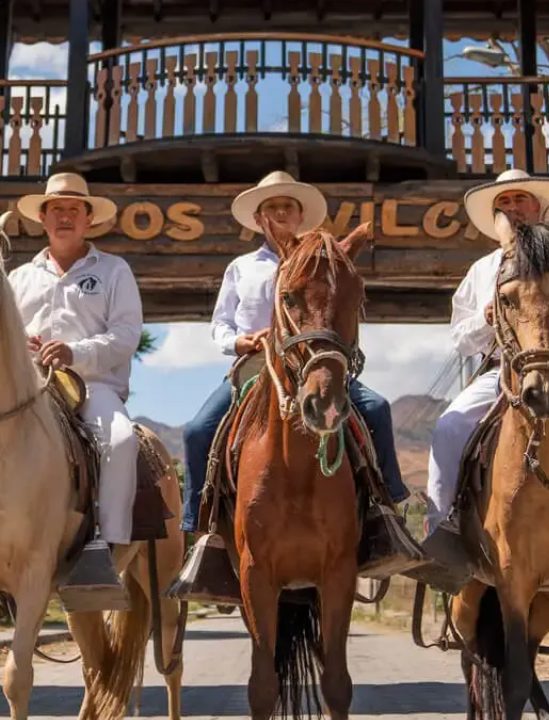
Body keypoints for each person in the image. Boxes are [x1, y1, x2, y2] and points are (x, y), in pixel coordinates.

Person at [178, 172, 415, 586]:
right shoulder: (240, 268)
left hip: (313, 363)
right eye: (272, 206)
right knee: (198, 431)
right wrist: (239, 342)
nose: (281, 211)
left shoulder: (326, 258)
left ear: (301, 215)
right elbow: (219, 325)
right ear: (259, 218)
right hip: (254, 367)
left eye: (288, 205)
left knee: (376, 407)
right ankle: (204, 536)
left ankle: (386, 514)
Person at [420, 169, 549, 576]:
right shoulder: (482, 269)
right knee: (448, 430)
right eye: (504, 205)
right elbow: (460, 338)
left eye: (520, 201)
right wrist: (487, 319)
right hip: (500, 372)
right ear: (496, 218)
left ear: (538, 207)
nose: (513, 210)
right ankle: (446, 529)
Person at [9, 173, 145, 609]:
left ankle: (105, 548)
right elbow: (0, 335)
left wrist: (75, 352)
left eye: (74, 210)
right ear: (42, 219)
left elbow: (127, 335)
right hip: (25, 389)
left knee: (120, 441)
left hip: (92, 387)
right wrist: (21, 347)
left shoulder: (114, 270)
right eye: (56, 210)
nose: (65, 217)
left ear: (88, 220)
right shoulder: (17, 278)